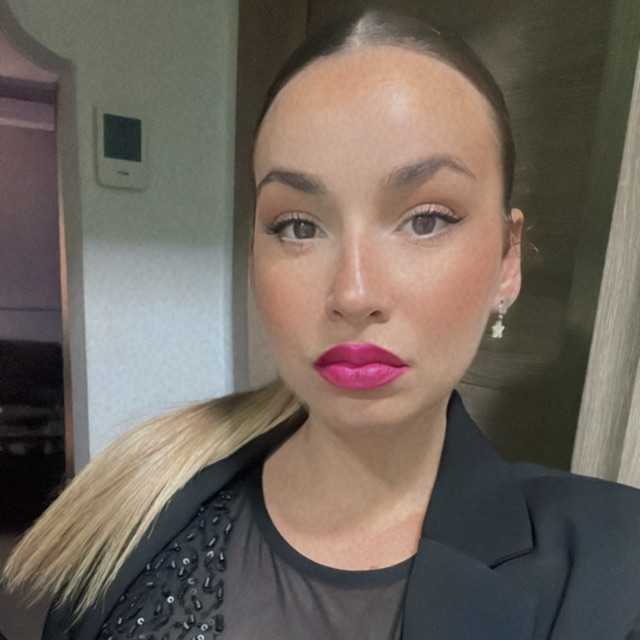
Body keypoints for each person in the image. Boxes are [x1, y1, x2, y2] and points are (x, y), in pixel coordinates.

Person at [3, 8, 640, 640]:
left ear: (507, 258)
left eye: (426, 219)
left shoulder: (615, 567)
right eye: (298, 226)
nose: (353, 293)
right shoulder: (135, 499)